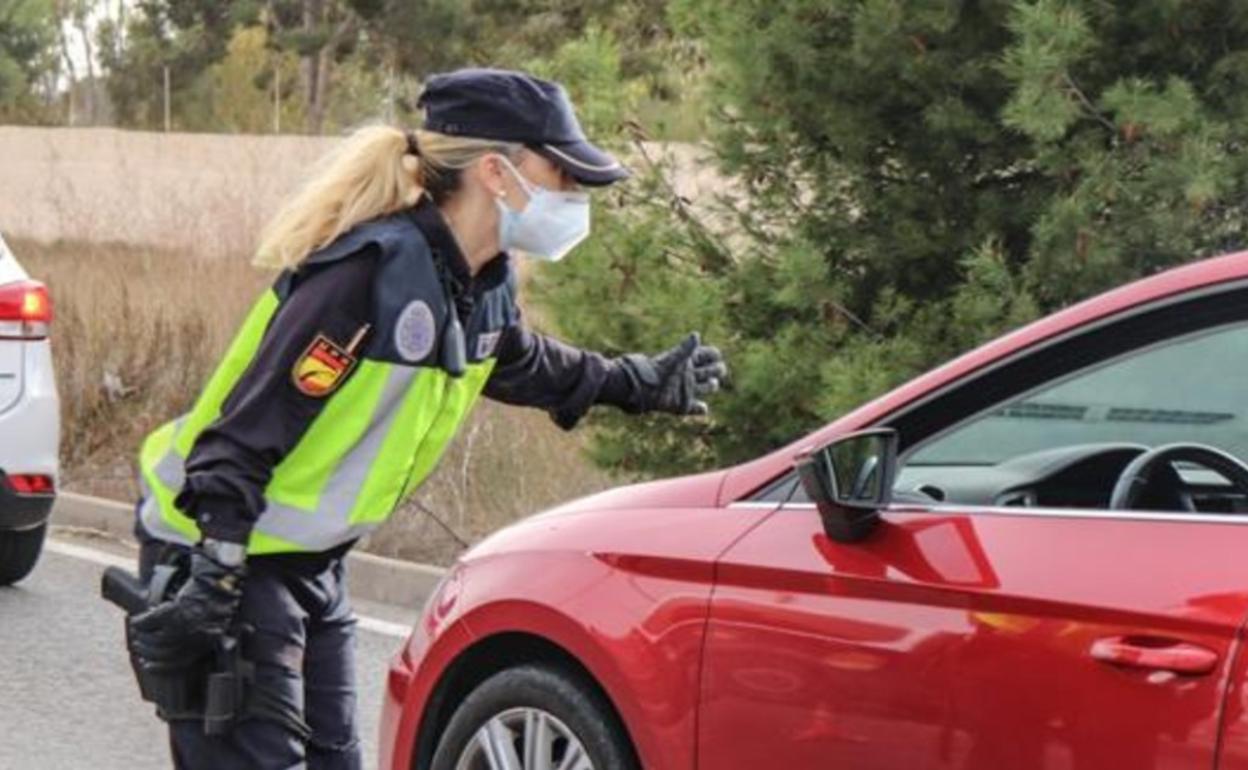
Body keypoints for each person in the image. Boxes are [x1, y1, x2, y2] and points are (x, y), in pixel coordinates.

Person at [123, 67, 727, 769]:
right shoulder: (363, 278)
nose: (575, 193)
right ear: (498, 173)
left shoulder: (477, 286)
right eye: (561, 173)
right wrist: (215, 574)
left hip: (308, 563)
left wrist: (639, 382)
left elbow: (529, 365)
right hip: (220, 549)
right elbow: (241, 437)